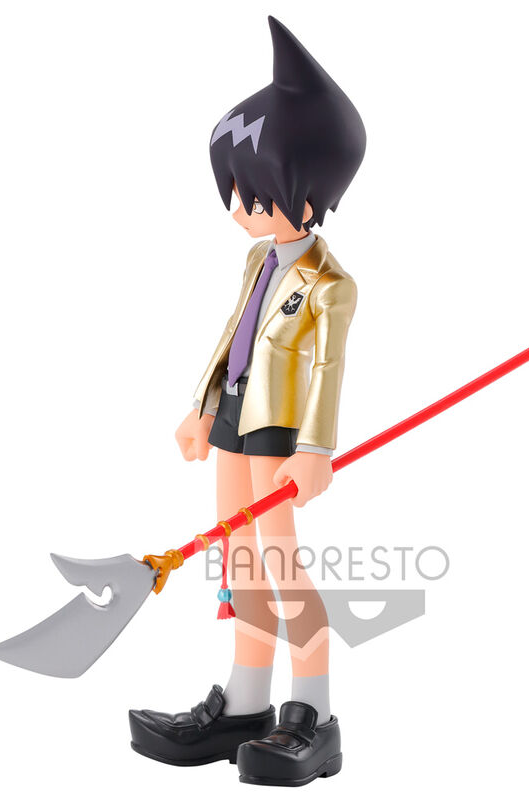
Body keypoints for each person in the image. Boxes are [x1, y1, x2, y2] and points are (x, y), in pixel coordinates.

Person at [129, 16, 366, 787]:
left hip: (280, 434)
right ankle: (245, 703)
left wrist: (316, 450)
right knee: (240, 563)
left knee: (282, 566)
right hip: (234, 420)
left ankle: (314, 715)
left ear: (309, 190)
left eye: (253, 192)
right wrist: (203, 409)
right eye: (235, 190)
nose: (239, 206)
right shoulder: (257, 260)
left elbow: (328, 369)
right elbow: (233, 336)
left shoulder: (330, 287)